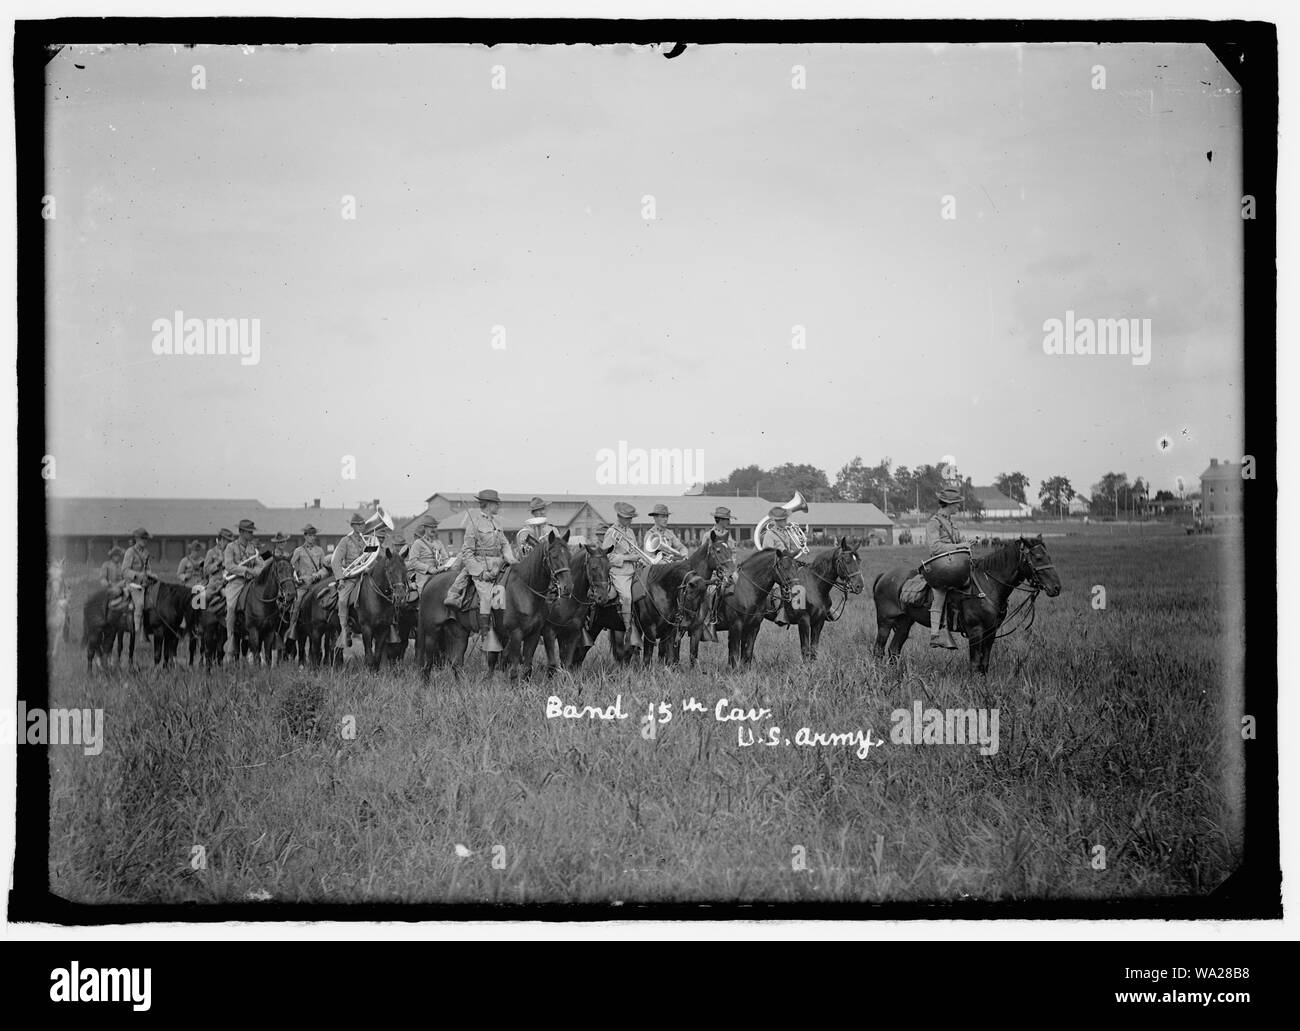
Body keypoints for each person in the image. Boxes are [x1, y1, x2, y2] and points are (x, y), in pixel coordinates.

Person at [443, 489, 513, 647]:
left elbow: (505, 545)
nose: (498, 505)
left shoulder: (497, 524)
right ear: (488, 505)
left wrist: (511, 559)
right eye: (496, 503)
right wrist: (481, 573)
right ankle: (485, 634)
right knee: (487, 597)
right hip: (480, 565)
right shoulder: (473, 524)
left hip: (499, 564)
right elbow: (467, 553)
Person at [925, 486, 966, 649]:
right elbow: (934, 548)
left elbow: (959, 541)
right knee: (940, 594)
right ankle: (935, 635)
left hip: (955, 564)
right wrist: (958, 547)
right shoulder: (934, 523)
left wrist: (967, 544)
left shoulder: (952, 523)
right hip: (940, 566)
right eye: (957, 504)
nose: (959, 506)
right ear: (949, 504)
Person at [601, 502, 644, 647]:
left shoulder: (630, 532)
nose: (630, 521)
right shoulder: (611, 532)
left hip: (633, 570)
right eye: (628, 518)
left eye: (631, 518)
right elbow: (606, 557)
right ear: (620, 517)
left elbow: (635, 550)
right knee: (626, 597)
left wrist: (638, 558)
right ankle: (629, 630)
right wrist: (628, 558)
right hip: (619, 573)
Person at [223, 519, 265, 659]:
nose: (251, 534)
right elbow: (229, 565)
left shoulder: (253, 548)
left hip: (251, 582)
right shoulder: (230, 547)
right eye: (249, 532)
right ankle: (230, 637)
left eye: (252, 532)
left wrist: (258, 571)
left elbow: (260, 564)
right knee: (231, 606)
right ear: (241, 532)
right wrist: (246, 570)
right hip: (236, 582)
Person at [758, 506, 807, 625]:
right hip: (776, 567)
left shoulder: (787, 532)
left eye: (785, 519)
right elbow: (768, 554)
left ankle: (803, 611)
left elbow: (792, 550)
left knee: (802, 583)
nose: (786, 522)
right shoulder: (770, 534)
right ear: (776, 521)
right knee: (780, 588)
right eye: (783, 520)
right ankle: (782, 613)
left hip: (788, 565)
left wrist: (800, 543)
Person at [331, 513, 369, 648]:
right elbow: (335, 562)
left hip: (366, 576)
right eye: (359, 524)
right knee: (342, 600)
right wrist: (340, 579)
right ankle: (344, 628)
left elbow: (374, 557)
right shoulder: (345, 541)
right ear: (353, 526)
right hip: (351, 579)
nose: (362, 527)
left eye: (363, 524)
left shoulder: (368, 540)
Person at [699, 506, 735, 642]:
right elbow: (704, 556)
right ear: (719, 520)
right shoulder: (708, 535)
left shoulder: (728, 534)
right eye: (726, 519)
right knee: (712, 592)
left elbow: (732, 554)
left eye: (728, 519)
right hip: (714, 573)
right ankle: (711, 619)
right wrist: (717, 572)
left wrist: (732, 570)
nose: (728, 522)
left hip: (729, 569)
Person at [287, 524, 328, 642]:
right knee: (297, 602)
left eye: (314, 535)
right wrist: (298, 578)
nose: (313, 538)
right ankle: (292, 627)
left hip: (317, 583)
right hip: (303, 585)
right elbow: (290, 567)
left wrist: (318, 575)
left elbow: (325, 568)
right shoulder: (298, 551)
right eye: (310, 535)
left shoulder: (320, 550)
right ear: (305, 536)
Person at [121, 527, 155, 646]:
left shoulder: (145, 552)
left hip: (144, 584)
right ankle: (135, 631)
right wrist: (138, 575)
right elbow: (124, 571)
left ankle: (147, 632)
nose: (145, 541)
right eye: (143, 538)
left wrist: (152, 575)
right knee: (140, 604)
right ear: (137, 539)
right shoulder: (130, 552)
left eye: (146, 539)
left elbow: (148, 569)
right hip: (133, 584)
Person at [407, 517, 451, 597]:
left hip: (440, 575)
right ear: (425, 528)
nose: (433, 529)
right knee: (428, 595)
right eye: (431, 527)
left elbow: (445, 559)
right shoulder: (418, 543)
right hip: (425, 577)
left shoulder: (439, 543)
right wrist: (429, 569)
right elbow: (413, 561)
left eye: (435, 527)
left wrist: (446, 565)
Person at [99, 545, 126, 615]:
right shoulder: (106, 565)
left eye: (118, 556)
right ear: (112, 556)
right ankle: (106, 613)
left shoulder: (123, 566)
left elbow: (125, 577)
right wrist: (107, 583)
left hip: (122, 587)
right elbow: (102, 578)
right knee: (115, 592)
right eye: (115, 555)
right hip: (111, 588)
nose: (117, 557)